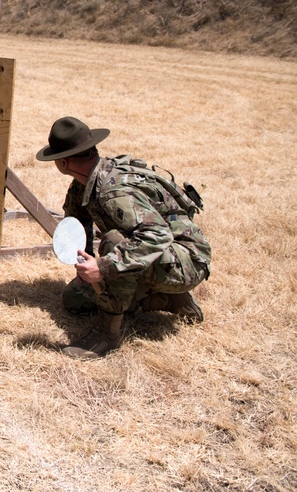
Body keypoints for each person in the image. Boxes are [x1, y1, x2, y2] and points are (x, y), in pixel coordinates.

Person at [36, 117, 212, 359]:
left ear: (63, 162)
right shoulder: (84, 183)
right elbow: (77, 226)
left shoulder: (112, 191)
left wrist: (103, 266)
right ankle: (168, 299)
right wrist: (85, 266)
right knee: (75, 300)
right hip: (161, 258)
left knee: (114, 242)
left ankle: (107, 335)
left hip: (186, 262)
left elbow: (156, 236)